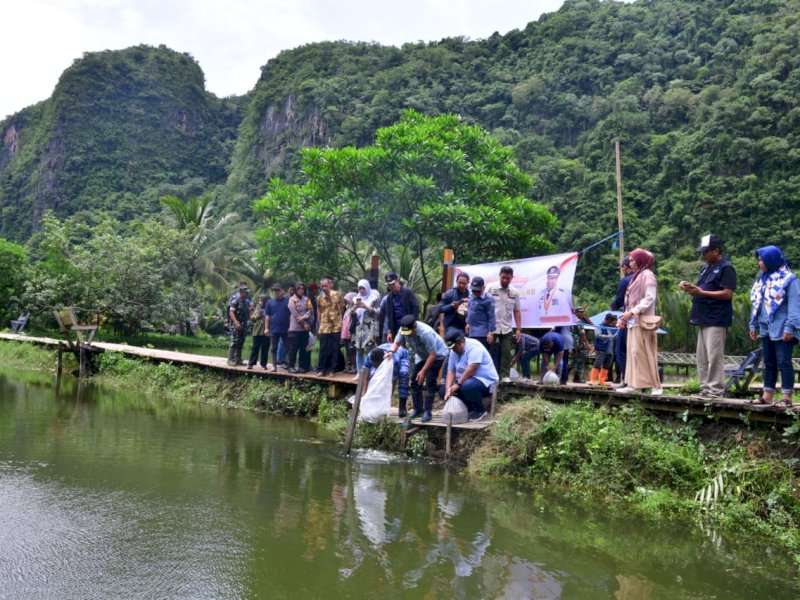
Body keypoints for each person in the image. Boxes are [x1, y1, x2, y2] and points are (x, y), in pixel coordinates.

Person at [679, 234, 738, 399]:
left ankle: (715, 390)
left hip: (717, 318)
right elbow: (701, 288)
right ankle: (705, 388)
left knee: (714, 356)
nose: (703, 255)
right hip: (702, 317)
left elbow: (727, 293)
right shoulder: (706, 268)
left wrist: (702, 293)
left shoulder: (726, 268)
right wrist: (689, 287)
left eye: (706, 252)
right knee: (702, 357)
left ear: (716, 251)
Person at [748, 246, 800, 407]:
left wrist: (790, 327)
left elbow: (794, 305)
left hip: (783, 328)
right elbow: (757, 304)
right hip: (765, 327)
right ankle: (767, 396)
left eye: (762, 260)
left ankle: (787, 398)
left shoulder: (789, 279)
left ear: (771, 260)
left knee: (784, 362)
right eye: (759, 260)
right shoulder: (762, 279)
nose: (760, 263)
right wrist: (753, 324)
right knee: (769, 362)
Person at [617, 249, 662, 395]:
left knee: (647, 352)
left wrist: (632, 311)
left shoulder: (647, 274)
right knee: (633, 353)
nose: (630, 263)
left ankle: (656, 386)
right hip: (633, 321)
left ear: (640, 260)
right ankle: (634, 385)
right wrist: (627, 315)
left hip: (643, 321)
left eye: (632, 260)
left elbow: (650, 298)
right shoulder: (637, 275)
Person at [388, 315, 448, 422]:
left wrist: (423, 371)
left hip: (437, 355)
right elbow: (396, 342)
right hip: (421, 355)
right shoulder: (403, 329)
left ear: (414, 327)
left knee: (430, 381)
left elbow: (433, 355)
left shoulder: (426, 333)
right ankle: (418, 409)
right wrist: (391, 352)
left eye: (410, 333)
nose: (408, 335)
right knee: (414, 381)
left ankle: (427, 411)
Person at [444, 330, 499, 422]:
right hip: (467, 380)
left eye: (455, 348)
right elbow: (451, 371)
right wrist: (447, 390)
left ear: (461, 343)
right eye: (452, 349)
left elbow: (472, 368)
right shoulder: (453, 351)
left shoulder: (474, 346)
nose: (453, 351)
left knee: (467, 385)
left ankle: (480, 410)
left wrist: (458, 384)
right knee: (443, 391)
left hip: (487, 381)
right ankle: (468, 407)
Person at [487, 266, 522, 382]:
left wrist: (518, 329)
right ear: (499, 276)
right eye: (503, 277)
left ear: (512, 278)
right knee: (490, 351)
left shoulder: (514, 292)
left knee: (506, 352)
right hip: (492, 327)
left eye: (508, 278)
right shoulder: (490, 288)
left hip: (507, 327)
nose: (505, 280)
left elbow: (517, 311)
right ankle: (490, 375)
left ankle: (504, 376)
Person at [364, 343, 411, 417]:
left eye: (377, 366)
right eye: (374, 365)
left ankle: (402, 406)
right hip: (385, 352)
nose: (375, 367)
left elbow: (392, 382)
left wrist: (387, 402)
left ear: (382, 362)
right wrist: (364, 396)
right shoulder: (369, 358)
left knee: (403, 374)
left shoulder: (394, 361)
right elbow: (366, 378)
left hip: (402, 355)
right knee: (373, 375)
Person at [316, 276, 345, 377]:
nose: (324, 288)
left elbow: (342, 307)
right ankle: (321, 369)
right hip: (324, 325)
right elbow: (319, 311)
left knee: (334, 348)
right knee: (323, 348)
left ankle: (332, 370)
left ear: (330, 285)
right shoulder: (320, 298)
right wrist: (319, 324)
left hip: (336, 325)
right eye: (322, 286)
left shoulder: (337, 295)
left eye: (326, 285)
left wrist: (338, 318)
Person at [379, 272, 420, 343]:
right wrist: (389, 331)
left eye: (393, 284)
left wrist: (413, 323)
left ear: (397, 281)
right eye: (389, 285)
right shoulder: (389, 297)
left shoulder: (407, 292)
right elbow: (389, 315)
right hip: (396, 328)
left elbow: (415, 307)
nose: (391, 286)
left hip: (409, 326)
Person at [611, 258, 633, 383]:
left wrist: (612, 307)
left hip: (628, 319)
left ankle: (627, 380)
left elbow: (619, 300)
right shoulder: (641, 277)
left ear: (625, 266)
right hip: (639, 319)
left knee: (621, 351)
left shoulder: (626, 280)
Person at [351, 279, 381, 372]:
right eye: (359, 288)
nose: (361, 290)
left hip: (370, 326)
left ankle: (370, 372)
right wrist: (354, 308)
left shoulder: (374, 298)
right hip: (358, 326)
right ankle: (359, 373)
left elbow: (378, 312)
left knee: (369, 350)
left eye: (363, 288)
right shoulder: (356, 298)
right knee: (358, 350)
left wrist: (366, 307)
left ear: (367, 288)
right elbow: (350, 313)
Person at [287, 282, 314, 373]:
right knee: (293, 348)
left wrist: (305, 317)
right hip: (295, 328)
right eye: (299, 288)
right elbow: (294, 313)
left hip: (304, 329)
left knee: (303, 348)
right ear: (295, 290)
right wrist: (304, 323)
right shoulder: (292, 299)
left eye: (302, 289)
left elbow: (310, 310)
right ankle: (291, 366)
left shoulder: (307, 299)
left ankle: (302, 366)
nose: (301, 290)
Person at [465, 276, 495, 351]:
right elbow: (470, 309)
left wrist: (490, 332)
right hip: (471, 331)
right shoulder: (471, 296)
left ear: (483, 288)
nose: (475, 293)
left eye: (478, 291)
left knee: (479, 353)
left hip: (482, 333)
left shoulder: (489, 299)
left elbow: (491, 317)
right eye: (473, 290)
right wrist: (468, 323)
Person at [265, 283, 290, 372]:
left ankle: (289, 365)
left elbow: (291, 314)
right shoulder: (270, 302)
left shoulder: (288, 301)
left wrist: (290, 326)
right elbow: (267, 315)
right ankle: (274, 366)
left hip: (286, 328)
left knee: (288, 347)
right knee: (273, 348)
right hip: (274, 328)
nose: (276, 292)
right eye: (274, 290)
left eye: (278, 290)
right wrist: (266, 328)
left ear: (282, 291)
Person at [588, 313, 618, 386]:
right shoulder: (599, 326)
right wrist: (607, 336)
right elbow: (598, 336)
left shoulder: (612, 328)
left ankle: (602, 381)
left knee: (607, 365)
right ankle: (592, 380)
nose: (612, 322)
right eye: (611, 320)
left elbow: (616, 336)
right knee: (598, 364)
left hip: (610, 350)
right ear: (607, 319)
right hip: (601, 349)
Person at [227, 286, 251, 366]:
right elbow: (231, 312)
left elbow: (247, 314)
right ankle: (230, 359)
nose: (247, 293)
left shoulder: (246, 302)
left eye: (247, 292)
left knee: (241, 341)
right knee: (234, 341)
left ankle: (238, 359)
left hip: (243, 325)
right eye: (246, 292)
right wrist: (236, 322)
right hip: (236, 324)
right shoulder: (235, 301)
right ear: (241, 292)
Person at [247, 294, 270, 369]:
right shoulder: (258, 307)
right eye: (259, 300)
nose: (259, 302)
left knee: (265, 348)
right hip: (257, 330)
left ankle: (263, 364)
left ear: (265, 301)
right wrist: (256, 316)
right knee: (255, 348)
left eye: (261, 300)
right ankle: (251, 363)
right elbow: (252, 318)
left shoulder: (269, 307)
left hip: (266, 330)